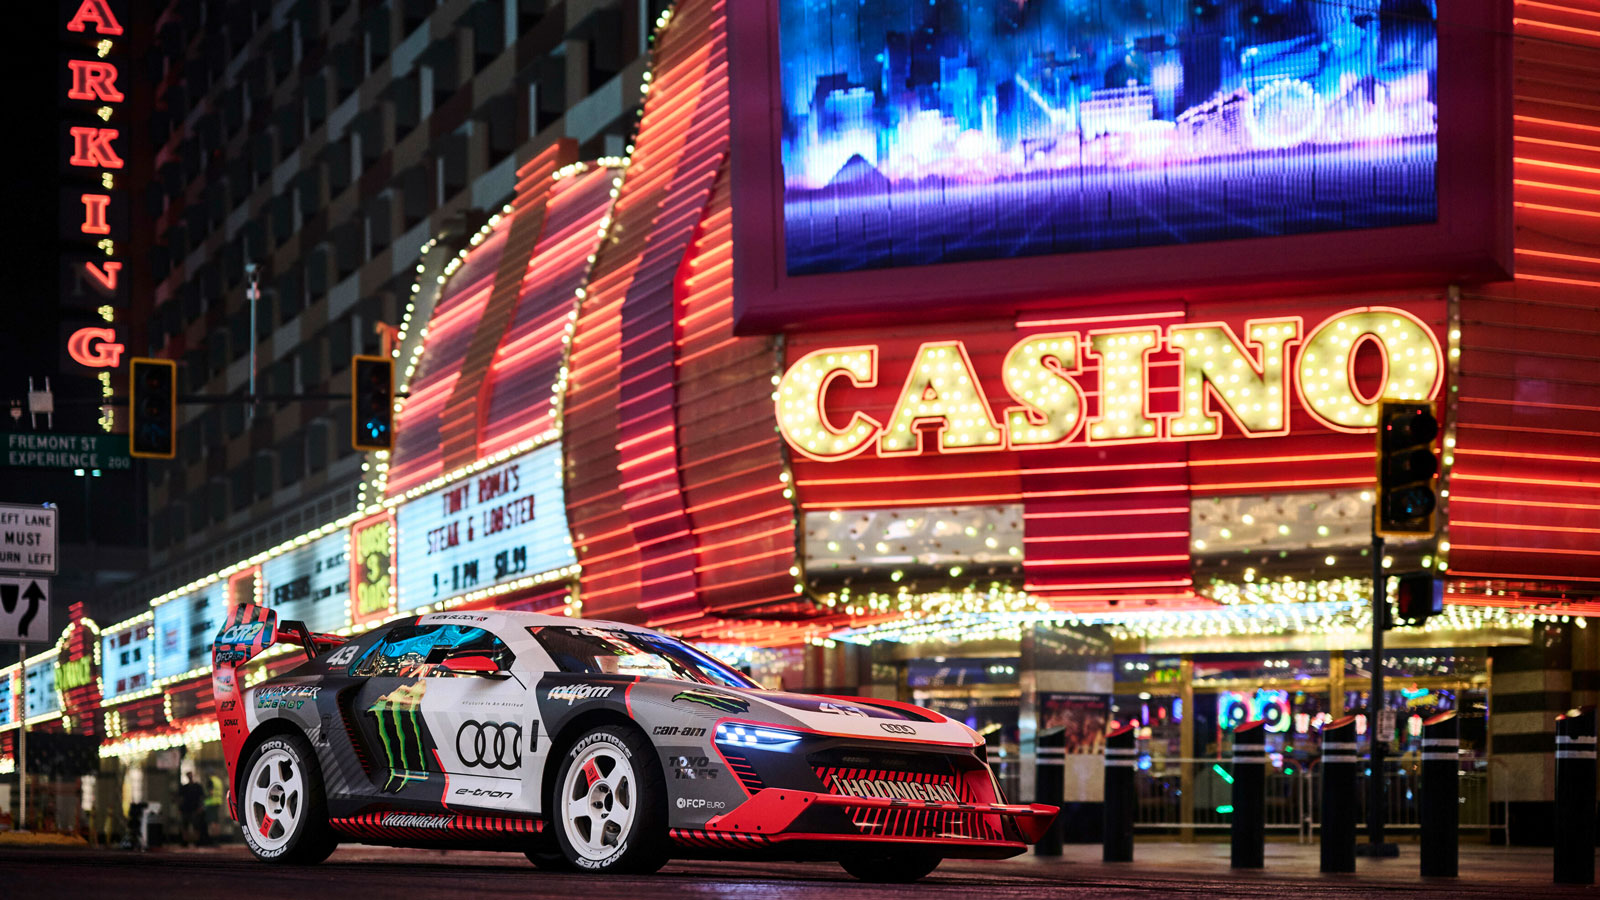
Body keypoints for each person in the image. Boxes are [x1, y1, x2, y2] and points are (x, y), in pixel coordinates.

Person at [177, 773, 207, 847]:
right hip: (186, 809)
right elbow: (180, 799)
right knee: (185, 826)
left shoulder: (197, 787)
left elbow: (202, 798)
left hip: (195, 809)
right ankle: (185, 841)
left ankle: (197, 841)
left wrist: (200, 807)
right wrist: (180, 808)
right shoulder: (184, 787)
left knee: (196, 826)